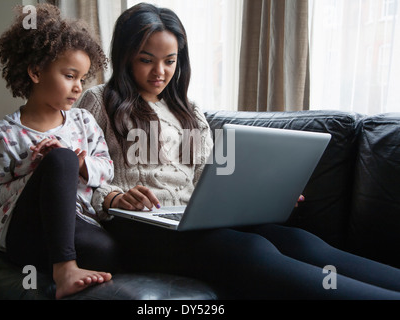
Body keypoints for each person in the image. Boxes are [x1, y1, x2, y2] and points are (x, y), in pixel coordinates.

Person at [77, 3, 400, 299]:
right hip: (136, 227)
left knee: (301, 241)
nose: (159, 71)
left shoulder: (188, 111)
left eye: (170, 61)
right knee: (251, 250)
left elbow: (206, 176)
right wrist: (113, 197)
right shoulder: (98, 101)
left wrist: (259, 194)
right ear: (125, 56)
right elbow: (75, 175)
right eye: (146, 59)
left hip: (189, 220)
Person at [0, 4, 118, 299]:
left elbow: (107, 168)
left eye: (82, 79)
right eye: (70, 76)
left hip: (72, 227)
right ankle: (65, 268)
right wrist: (35, 169)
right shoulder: (3, 135)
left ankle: (66, 258)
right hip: (26, 235)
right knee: (60, 157)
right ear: (35, 72)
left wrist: (80, 166)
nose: (79, 87)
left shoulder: (83, 121)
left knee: (104, 249)